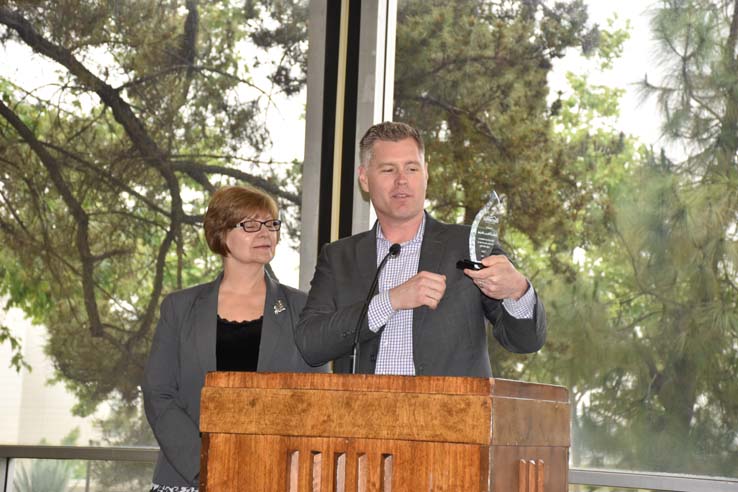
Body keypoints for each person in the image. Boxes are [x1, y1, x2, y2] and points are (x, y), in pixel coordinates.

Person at [295, 121, 546, 376]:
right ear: (364, 179)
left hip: (452, 414)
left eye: (411, 168)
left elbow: (524, 342)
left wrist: (517, 290)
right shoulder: (339, 257)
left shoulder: (466, 244)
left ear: (426, 174)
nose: (402, 181)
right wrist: (391, 301)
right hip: (366, 413)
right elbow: (310, 344)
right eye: (388, 170)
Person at [142, 186, 328, 492]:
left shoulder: (303, 308)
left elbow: (317, 400)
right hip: (189, 477)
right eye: (250, 225)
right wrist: (205, 465)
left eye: (271, 224)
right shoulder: (179, 307)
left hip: (274, 477)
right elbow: (158, 393)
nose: (265, 233)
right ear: (220, 234)